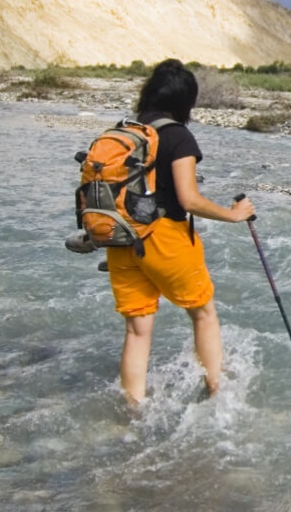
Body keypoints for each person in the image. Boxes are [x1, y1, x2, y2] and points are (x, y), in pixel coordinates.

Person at [106, 58, 255, 405]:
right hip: (164, 239)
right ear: (184, 101)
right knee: (203, 314)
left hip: (121, 237)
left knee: (137, 330)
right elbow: (189, 200)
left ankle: (132, 410)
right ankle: (216, 390)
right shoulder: (177, 136)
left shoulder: (125, 131)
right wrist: (233, 215)